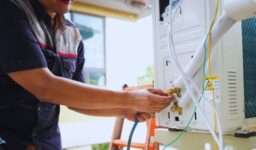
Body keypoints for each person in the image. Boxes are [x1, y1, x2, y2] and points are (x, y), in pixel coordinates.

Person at [0, 0, 174, 149]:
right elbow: (45, 87)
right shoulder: (9, 12)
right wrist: (130, 99)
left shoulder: (72, 34)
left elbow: (74, 102)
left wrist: (123, 109)